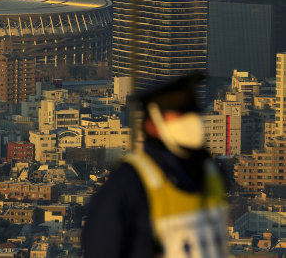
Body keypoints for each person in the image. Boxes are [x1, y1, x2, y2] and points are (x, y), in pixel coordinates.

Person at [81, 74, 227, 258]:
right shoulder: (129, 184)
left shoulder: (212, 174)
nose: (191, 121)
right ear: (152, 125)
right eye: (180, 115)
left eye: (193, 112)